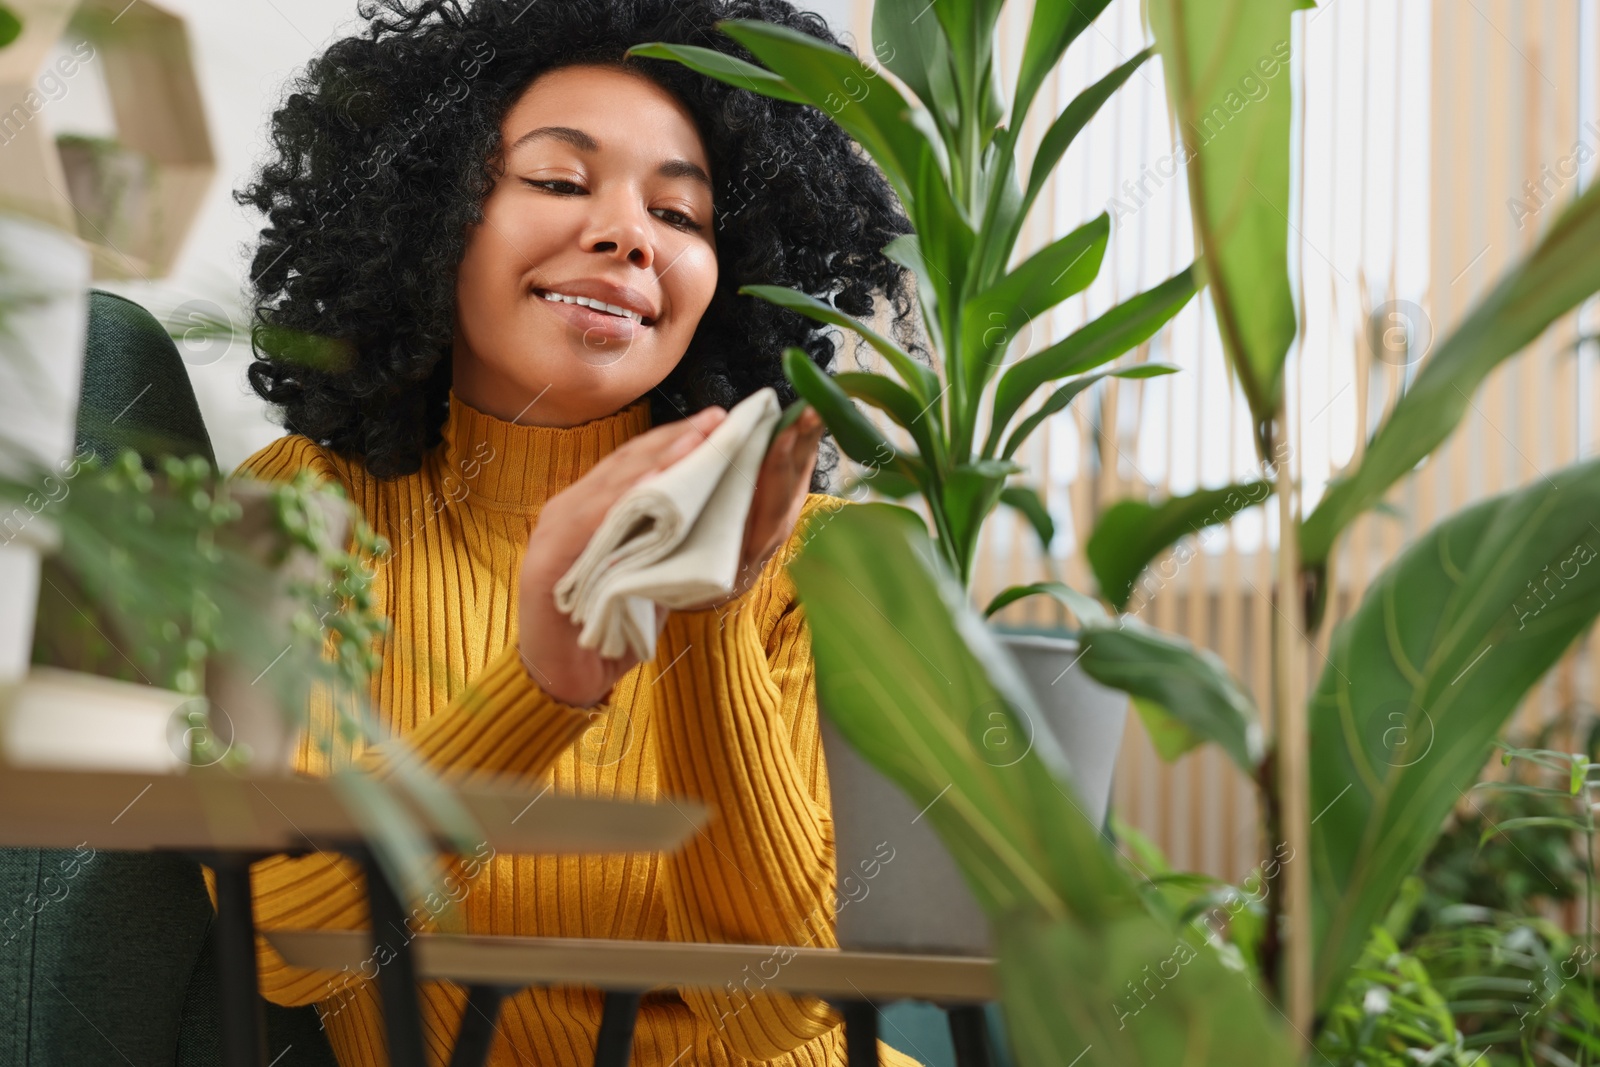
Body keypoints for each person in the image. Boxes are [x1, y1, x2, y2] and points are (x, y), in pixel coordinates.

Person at [212, 0, 927, 1063]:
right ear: (427, 212)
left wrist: (707, 617)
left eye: (683, 217)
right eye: (557, 181)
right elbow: (281, 939)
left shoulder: (813, 560)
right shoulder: (286, 513)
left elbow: (784, 1004)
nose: (631, 234)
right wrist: (541, 687)